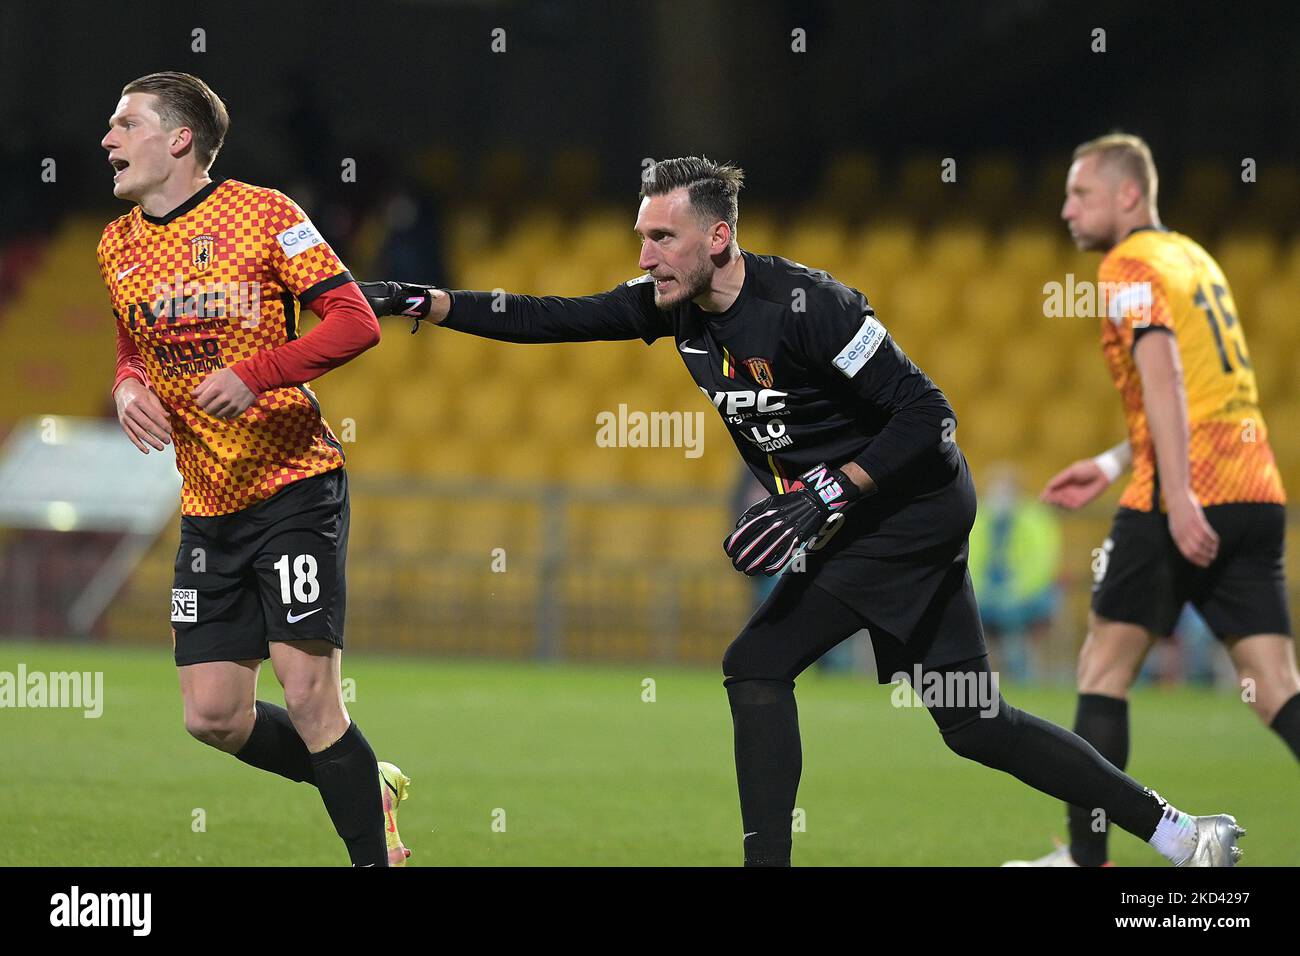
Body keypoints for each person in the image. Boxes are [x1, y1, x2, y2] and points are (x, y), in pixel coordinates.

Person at [363, 156, 1242, 867]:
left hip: (909, 511)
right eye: (640, 237)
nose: (644, 256)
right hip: (864, 521)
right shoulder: (675, 309)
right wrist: (429, 303)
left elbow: (930, 417)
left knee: (757, 661)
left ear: (718, 236)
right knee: (974, 722)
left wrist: (829, 490)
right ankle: (1181, 835)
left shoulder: (809, 306)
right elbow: (551, 317)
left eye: (661, 237)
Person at [99, 71, 409, 866]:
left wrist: (259, 372)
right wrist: (127, 381)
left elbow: (356, 321)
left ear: (179, 140)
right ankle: (363, 780)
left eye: (126, 124)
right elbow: (135, 341)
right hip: (209, 503)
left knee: (310, 697)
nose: (108, 140)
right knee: (212, 717)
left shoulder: (266, 213)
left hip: (293, 485)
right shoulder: (117, 244)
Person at [1006, 133, 1298, 866]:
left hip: (1185, 490)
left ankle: (1085, 856)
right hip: (1256, 489)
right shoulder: (1194, 258)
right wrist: (1111, 460)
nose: (1067, 208)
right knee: (1274, 689)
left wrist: (1177, 497)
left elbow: (1164, 377)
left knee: (1103, 670)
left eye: (1081, 193)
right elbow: (1208, 391)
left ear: (1128, 195)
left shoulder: (1128, 263)